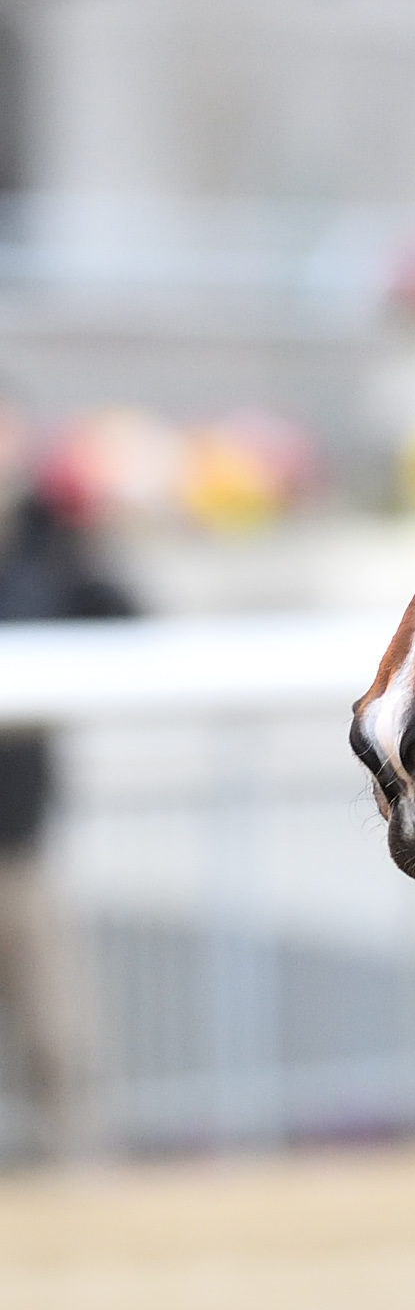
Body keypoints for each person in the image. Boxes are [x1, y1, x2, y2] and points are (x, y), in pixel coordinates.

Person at [0, 414, 131, 1159]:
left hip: (20, 842)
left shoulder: (50, 545)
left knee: (59, 1036)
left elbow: (123, 620)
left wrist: (82, 535)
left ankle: (81, 1171)